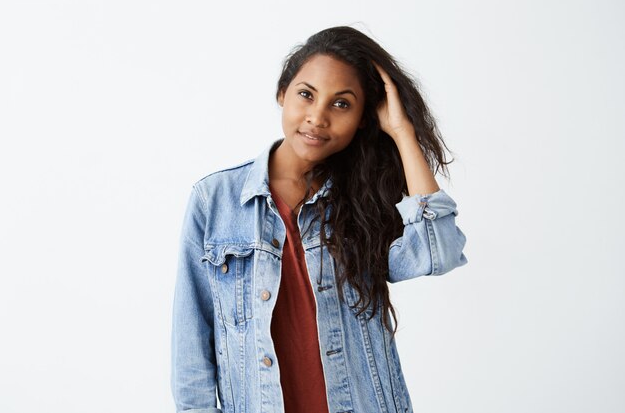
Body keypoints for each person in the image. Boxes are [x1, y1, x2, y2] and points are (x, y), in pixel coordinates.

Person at [171, 25, 468, 413]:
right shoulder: (215, 200)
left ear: (364, 118)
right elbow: (192, 345)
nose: (317, 117)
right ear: (282, 93)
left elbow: (438, 252)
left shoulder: (363, 202)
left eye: (341, 104)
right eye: (306, 95)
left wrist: (401, 131)